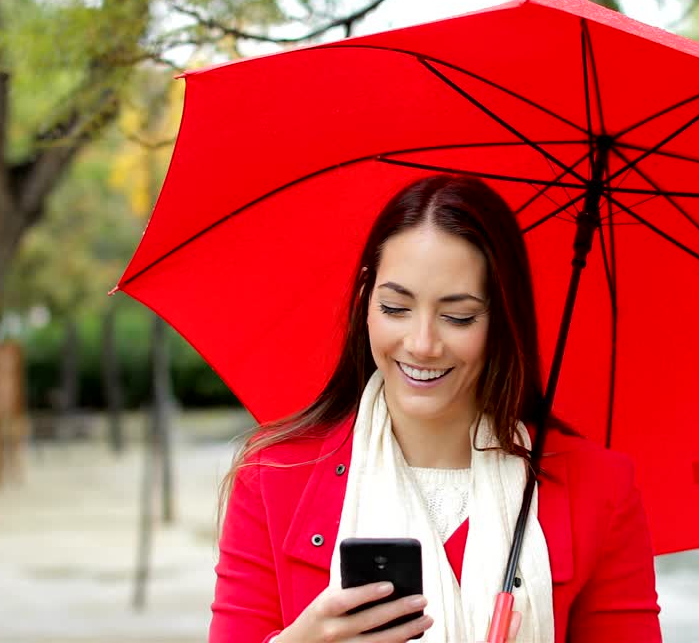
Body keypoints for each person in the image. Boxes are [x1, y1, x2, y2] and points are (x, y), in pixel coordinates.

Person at [210, 175, 661, 642]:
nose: (422, 344)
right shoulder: (274, 477)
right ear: (366, 298)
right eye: (395, 308)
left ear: (502, 318)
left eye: (458, 317)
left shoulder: (599, 489)